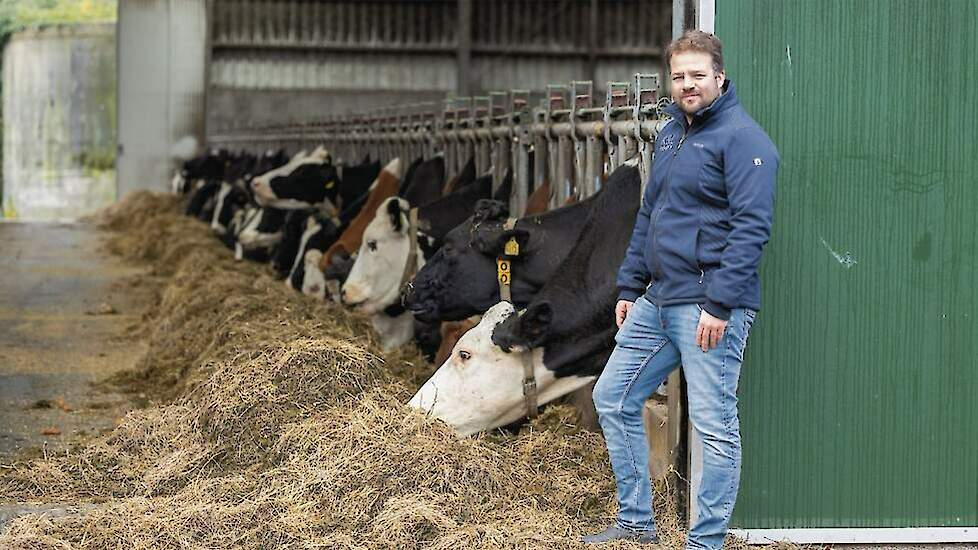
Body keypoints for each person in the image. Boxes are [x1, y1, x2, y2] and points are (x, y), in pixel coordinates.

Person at [581, 30, 779, 548]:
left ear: (719, 75)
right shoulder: (671, 134)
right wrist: (629, 285)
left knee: (713, 424)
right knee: (614, 396)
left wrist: (720, 303)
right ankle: (636, 523)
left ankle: (705, 541)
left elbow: (751, 228)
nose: (687, 85)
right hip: (659, 299)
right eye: (678, 76)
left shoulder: (744, 139)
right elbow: (651, 214)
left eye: (697, 75)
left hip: (709, 306)